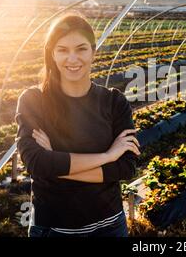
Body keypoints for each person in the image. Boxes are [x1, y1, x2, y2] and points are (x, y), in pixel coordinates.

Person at [14, 14, 140, 237]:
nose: (72, 58)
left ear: (93, 52)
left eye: (81, 49)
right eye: (62, 50)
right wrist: (108, 156)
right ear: (52, 54)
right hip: (55, 229)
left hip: (110, 227)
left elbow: (126, 166)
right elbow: (36, 164)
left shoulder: (113, 101)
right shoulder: (34, 101)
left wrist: (56, 161)